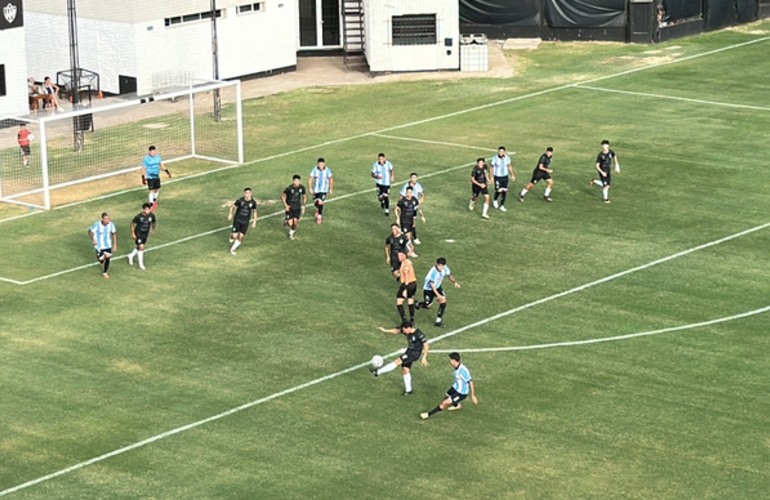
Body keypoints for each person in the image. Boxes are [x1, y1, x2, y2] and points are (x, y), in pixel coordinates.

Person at [371, 322, 430, 396]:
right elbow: (397, 331)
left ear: (408, 328)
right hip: (409, 351)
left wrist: (424, 358)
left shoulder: (418, 334)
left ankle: (377, 372)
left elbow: (426, 346)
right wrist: (385, 330)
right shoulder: (407, 331)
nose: (404, 332)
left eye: (404, 330)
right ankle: (409, 390)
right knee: (405, 370)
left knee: (397, 361)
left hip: (414, 354)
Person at [421, 352, 477, 419]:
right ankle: (457, 405)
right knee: (446, 396)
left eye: (450, 359)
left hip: (461, 393)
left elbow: (470, 382)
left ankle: (428, 414)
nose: (449, 361)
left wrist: (473, 396)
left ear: (453, 360)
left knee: (445, 403)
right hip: (456, 387)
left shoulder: (462, 371)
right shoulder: (457, 367)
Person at [416, 257, 460, 328]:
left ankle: (438, 321)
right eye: (439, 266)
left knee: (443, 302)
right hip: (429, 289)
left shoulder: (445, 268)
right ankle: (418, 304)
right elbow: (431, 285)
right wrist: (438, 295)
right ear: (436, 264)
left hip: (437, 287)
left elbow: (449, 275)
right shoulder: (433, 272)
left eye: (442, 266)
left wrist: (455, 282)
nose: (440, 267)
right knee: (428, 306)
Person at [227, 187, 258, 255]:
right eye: (246, 193)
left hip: (245, 222)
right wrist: (230, 214)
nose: (248, 194)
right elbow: (232, 206)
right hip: (238, 220)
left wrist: (254, 221)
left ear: (251, 193)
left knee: (241, 237)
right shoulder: (240, 201)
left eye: (249, 193)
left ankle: (233, 249)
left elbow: (254, 212)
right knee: (235, 236)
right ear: (244, 193)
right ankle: (232, 236)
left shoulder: (253, 203)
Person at [590, 140, 620, 204]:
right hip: (602, 171)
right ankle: (606, 199)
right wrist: (602, 172)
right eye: (603, 145)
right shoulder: (600, 155)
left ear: (608, 146)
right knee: (606, 186)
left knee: (608, 185)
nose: (605, 147)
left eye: (606, 145)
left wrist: (617, 166)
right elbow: (597, 165)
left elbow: (614, 156)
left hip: (608, 170)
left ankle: (594, 181)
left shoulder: (610, 152)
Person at [88, 212, 117, 279]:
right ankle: (101, 257)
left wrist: (115, 244)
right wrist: (93, 239)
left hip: (107, 245)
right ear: (102, 219)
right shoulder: (97, 225)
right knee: (101, 260)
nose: (107, 220)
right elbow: (90, 231)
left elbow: (114, 233)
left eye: (108, 219)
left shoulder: (111, 225)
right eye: (105, 219)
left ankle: (105, 272)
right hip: (99, 246)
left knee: (108, 257)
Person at [141, 145, 171, 210]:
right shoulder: (146, 159)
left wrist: (167, 172)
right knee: (151, 190)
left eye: (154, 152)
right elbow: (143, 168)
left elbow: (161, 165)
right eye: (152, 152)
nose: (153, 153)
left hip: (156, 176)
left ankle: (154, 201)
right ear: (149, 152)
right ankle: (151, 204)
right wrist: (143, 177)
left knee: (157, 190)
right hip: (150, 177)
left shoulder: (158, 157)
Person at [395, 186, 425, 251]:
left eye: (410, 192)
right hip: (404, 220)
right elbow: (396, 209)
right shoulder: (402, 201)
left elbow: (418, 208)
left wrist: (422, 216)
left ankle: (401, 242)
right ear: (406, 192)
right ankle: (410, 251)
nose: (409, 193)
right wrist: (397, 218)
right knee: (408, 236)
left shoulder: (414, 200)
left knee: (409, 235)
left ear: (412, 192)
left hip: (411, 219)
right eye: (407, 192)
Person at [128, 203, 157, 270]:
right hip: (138, 233)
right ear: (143, 209)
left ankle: (131, 255)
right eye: (147, 209)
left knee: (139, 246)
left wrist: (153, 229)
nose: (148, 211)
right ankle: (141, 265)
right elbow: (132, 224)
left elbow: (154, 222)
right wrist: (133, 233)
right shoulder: (138, 217)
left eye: (149, 209)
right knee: (141, 247)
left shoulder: (151, 216)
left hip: (145, 234)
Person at [398, 173, 425, 244]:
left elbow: (422, 195)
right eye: (413, 178)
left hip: (413, 206)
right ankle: (410, 237)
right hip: (406, 207)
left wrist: (418, 203)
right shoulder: (406, 186)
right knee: (408, 222)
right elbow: (401, 197)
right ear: (410, 178)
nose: (414, 179)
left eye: (416, 178)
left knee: (413, 223)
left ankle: (414, 237)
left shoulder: (418, 185)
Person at [281, 174, 307, 240]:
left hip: (297, 208)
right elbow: (282, 195)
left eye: (298, 181)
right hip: (289, 208)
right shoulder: (290, 188)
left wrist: (304, 206)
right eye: (295, 181)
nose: (297, 182)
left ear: (300, 181)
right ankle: (286, 221)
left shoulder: (302, 188)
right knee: (290, 224)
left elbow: (304, 196)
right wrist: (286, 205)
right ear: (293, 181)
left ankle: (290, 234)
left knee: (295, 223)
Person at [395, 251, 418, 325]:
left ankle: (404, 320)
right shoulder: (407, 262)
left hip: (408, 284)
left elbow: (407, 275)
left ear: (405, 255)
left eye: (400, 255)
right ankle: (412, 319)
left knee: (399, 302)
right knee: (410, 301)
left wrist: (405, 289)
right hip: (413, 284)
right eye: (398, 256)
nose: (399, 257)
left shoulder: (406, 263)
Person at [491, 146, 515, 212]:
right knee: (499, 190)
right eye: (499, 151)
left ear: (504, 152)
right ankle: (495, 199)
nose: (500, 152)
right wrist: (491, 177)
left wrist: (512, 174)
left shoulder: (507, 158)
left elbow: (509, 166)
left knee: (504, 191)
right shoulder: (495, 158)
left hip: (505, 176)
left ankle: (502, 205)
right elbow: (491, 167)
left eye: (502, 151)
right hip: (497, 176)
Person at [309, 157, 333, 224]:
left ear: (324, 164)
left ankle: (319, 216)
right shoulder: (314, 170)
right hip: (316, 189)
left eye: (322, 164)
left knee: (320, 202)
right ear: (317, 164)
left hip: (324, 189)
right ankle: (319, 210)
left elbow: (331, 179)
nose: (321, 166)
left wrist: (330, 189)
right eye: (320, 164)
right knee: (315, 202)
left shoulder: (327, 171)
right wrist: (310, 187)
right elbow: (311, 178)